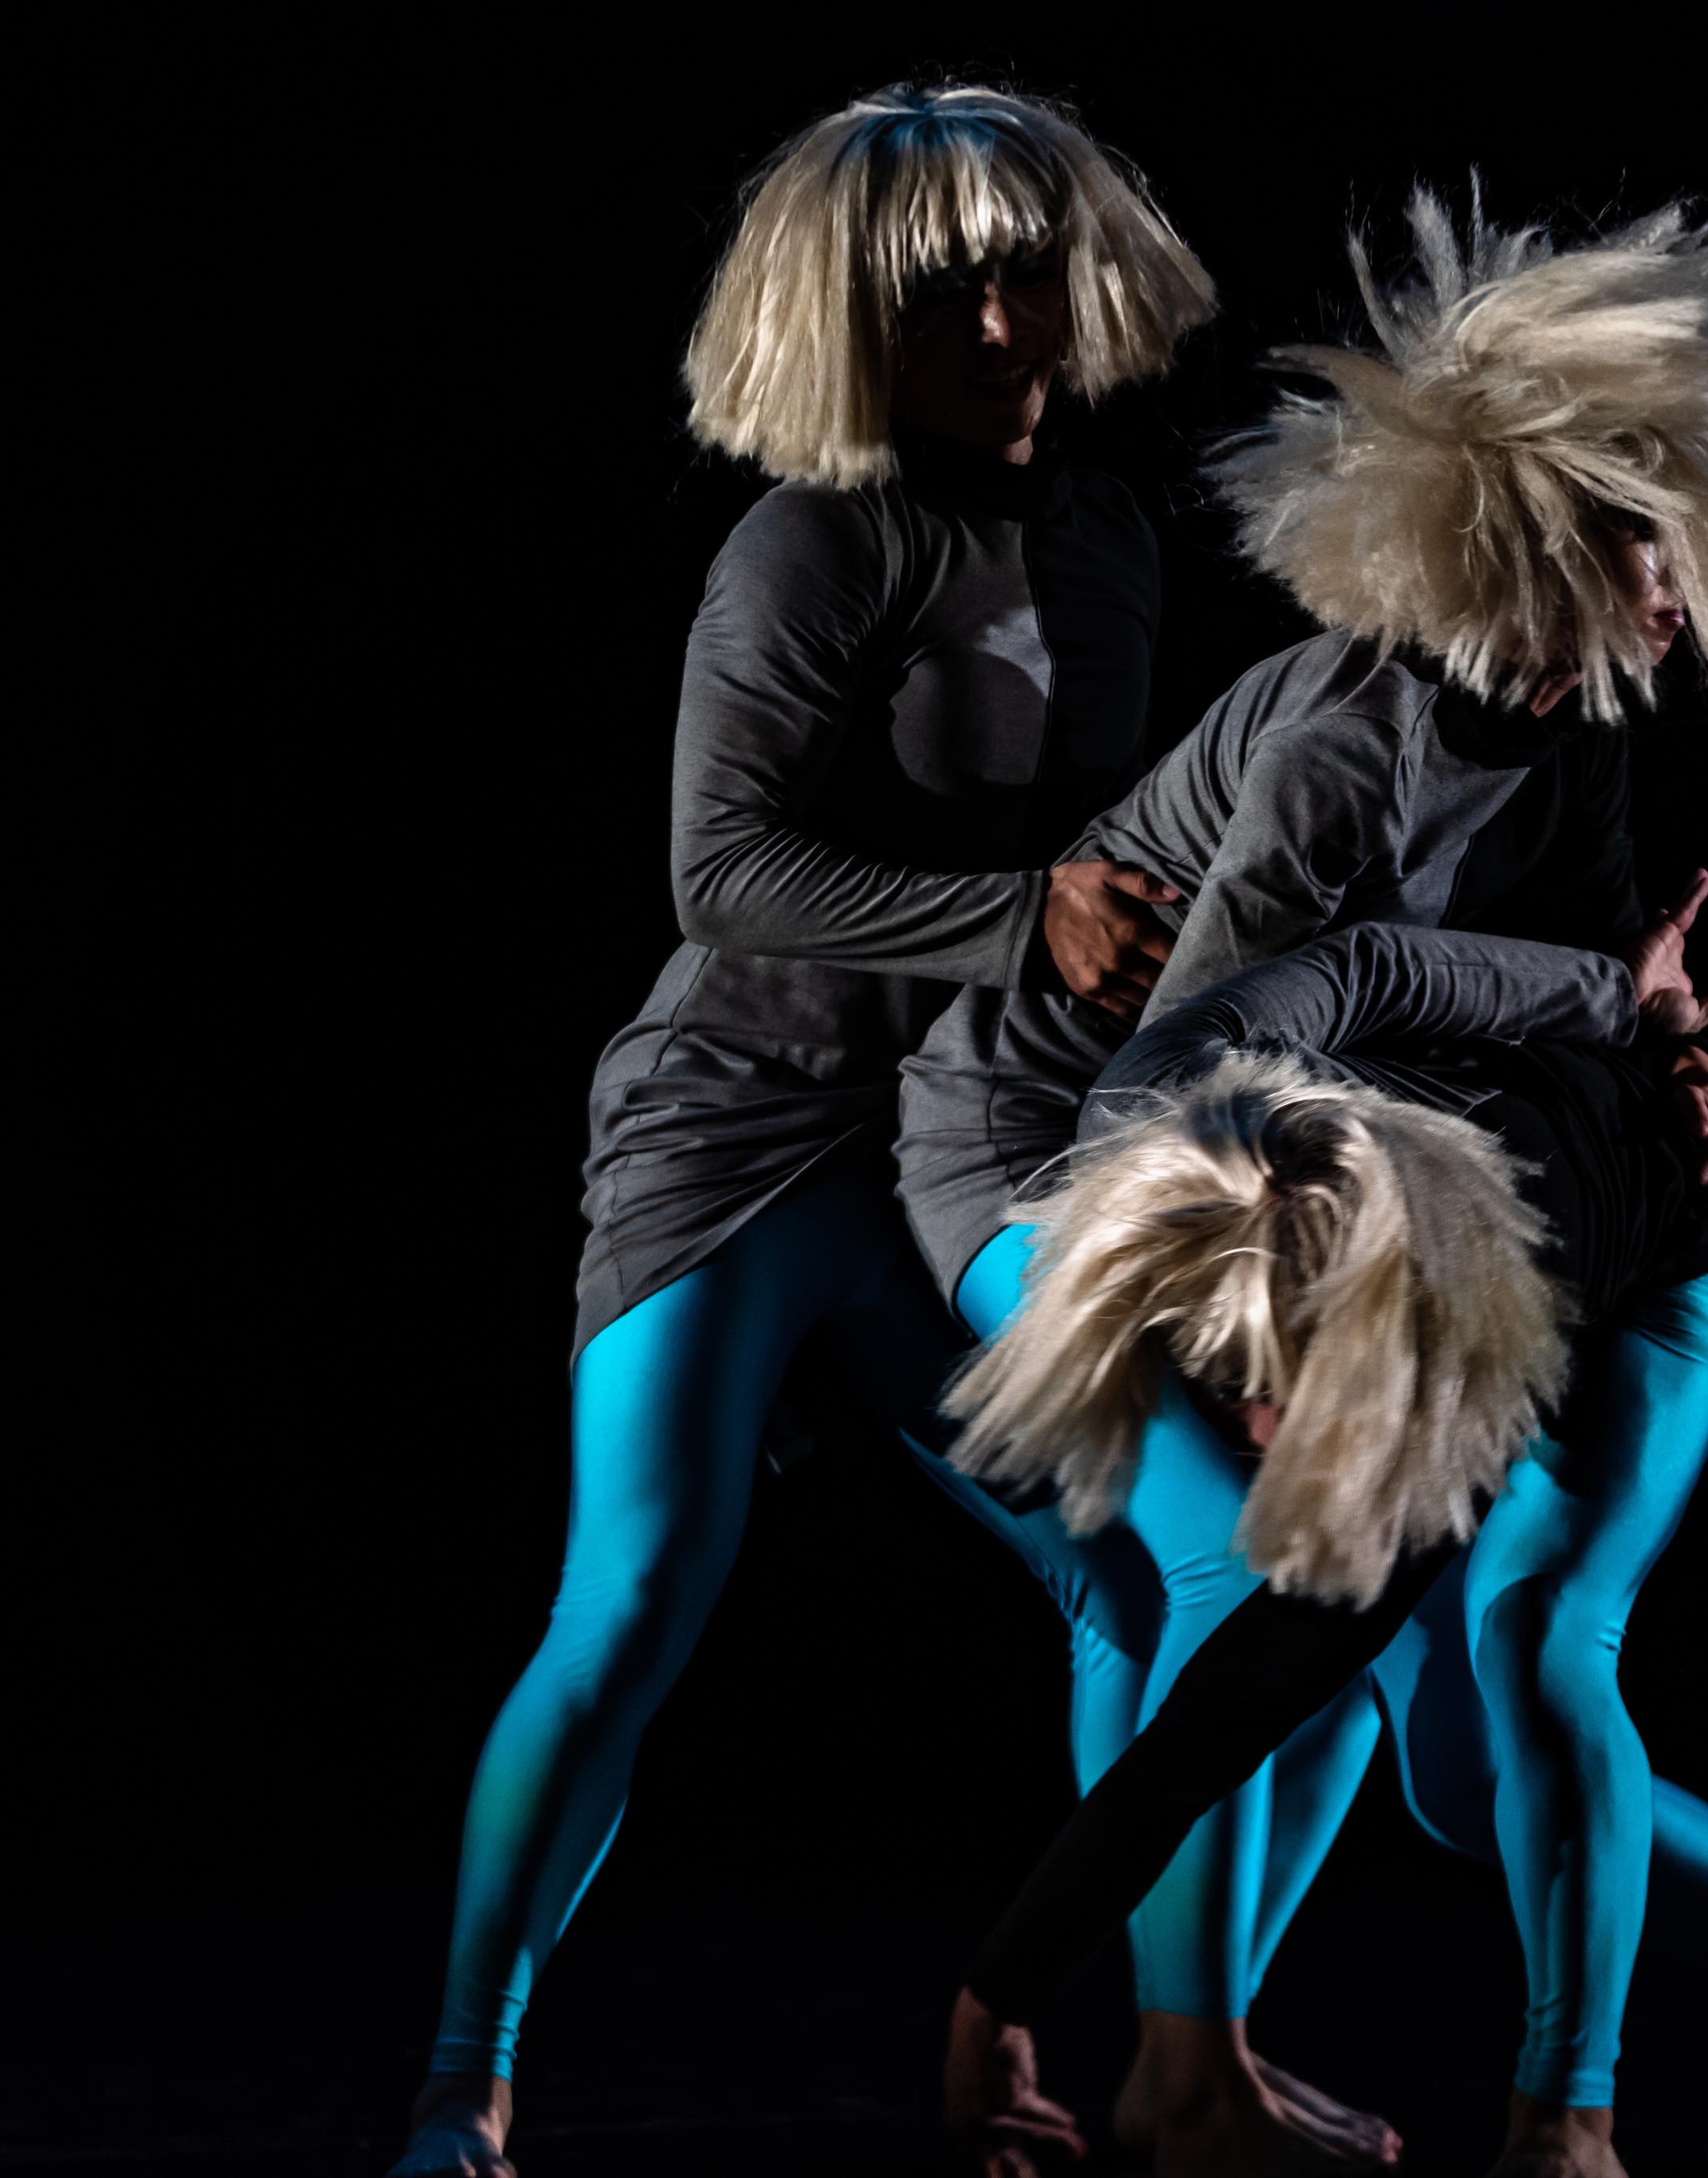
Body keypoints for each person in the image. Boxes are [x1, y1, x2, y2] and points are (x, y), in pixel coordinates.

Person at [892, 187, 1708, 2171]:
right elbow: (1185, 1082)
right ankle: (1185, 2072)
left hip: (1368, 1171)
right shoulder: (1347, 741)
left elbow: (1578, 989)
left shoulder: (1574, 727)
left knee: (1361, 1643)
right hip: (1051, 1141)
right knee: (1250, 1569)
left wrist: (1674, 1054)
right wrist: (1246, 1346)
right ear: (1537, 542)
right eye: (1640, 540)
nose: (1676, 586)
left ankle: (1185, 2059)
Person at [389, 84, 1216, 2178]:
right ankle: (463, 2092)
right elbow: (721, 869)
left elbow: (1118, 865)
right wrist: (1019, 918)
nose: (992, 323)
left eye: (1016, 271)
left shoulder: (1112, 535)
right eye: (933, 292)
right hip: (739, 1127)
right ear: (855, 318)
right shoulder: (812, 541)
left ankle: (1151, 2065)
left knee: (1138, 1584)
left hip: (956, 1149)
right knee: (632, 1601)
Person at [939, 925, 1708, 2178]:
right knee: (1461, 1782)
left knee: (1540, 1629)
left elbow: (1228, 1708)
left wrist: (1649, 1034)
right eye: (1230, 1386)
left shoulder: (1457, 1345)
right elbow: (1367, 964)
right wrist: (995, 2001)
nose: (1260, 1437)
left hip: (1670, 1278)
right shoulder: (1154, 1101)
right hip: (1489, 1188)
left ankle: (1569, 2127)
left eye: (1292, 1393)